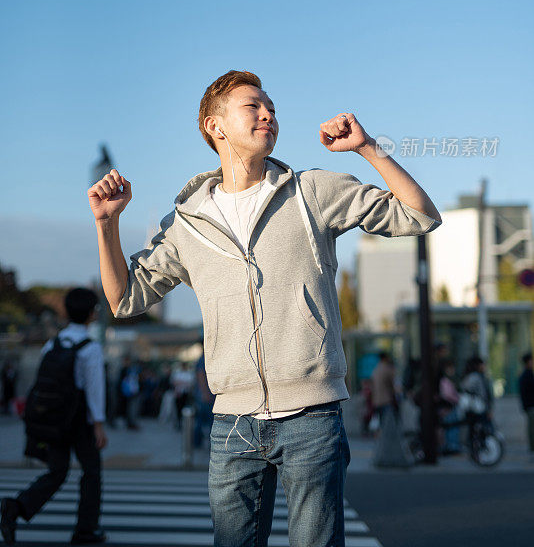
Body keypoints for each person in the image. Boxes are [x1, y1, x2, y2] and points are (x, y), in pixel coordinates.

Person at [87, 69, 441, 547]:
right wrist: (106, 225)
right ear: (216, 126)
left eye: (270, 106)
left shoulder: (312, 192)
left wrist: (368, 148)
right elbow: (124, 299)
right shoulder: (186, 223)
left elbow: (420, 214)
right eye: (252, 106)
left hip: (312, 416)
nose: (268, 114)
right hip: (231, 423)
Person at [0, 288, 107, 546]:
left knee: (57, 472)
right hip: (79, 419)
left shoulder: (53, 343)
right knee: (91, 472)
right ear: (92, 314)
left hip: (56, 419)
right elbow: (94, 389)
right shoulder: (90, 348)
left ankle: (16, 507)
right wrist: (99, 425)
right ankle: (85, 530)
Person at [437, 359, 462, 455]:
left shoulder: (447, 380)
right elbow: (447, 395)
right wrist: (456, 398)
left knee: (450, 427)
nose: (452, 370)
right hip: (448, 407)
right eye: (450, 368)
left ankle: (451, 446)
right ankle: (451, 446)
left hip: (448, 407)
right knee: (451, 427)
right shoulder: (444, 381)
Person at [370, 353, 398, 426]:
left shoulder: (376, 369)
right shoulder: (387, 369)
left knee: (381, 421)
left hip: (376, 400)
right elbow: (392, 384)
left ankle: (380, 434)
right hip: (386, 399)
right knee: (389, 421)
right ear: (385, 358)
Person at [518, 352, 534, 459]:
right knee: (532, 430)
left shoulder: (526, 374)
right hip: (531, 406)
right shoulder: (527, 375)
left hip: (529, 406)